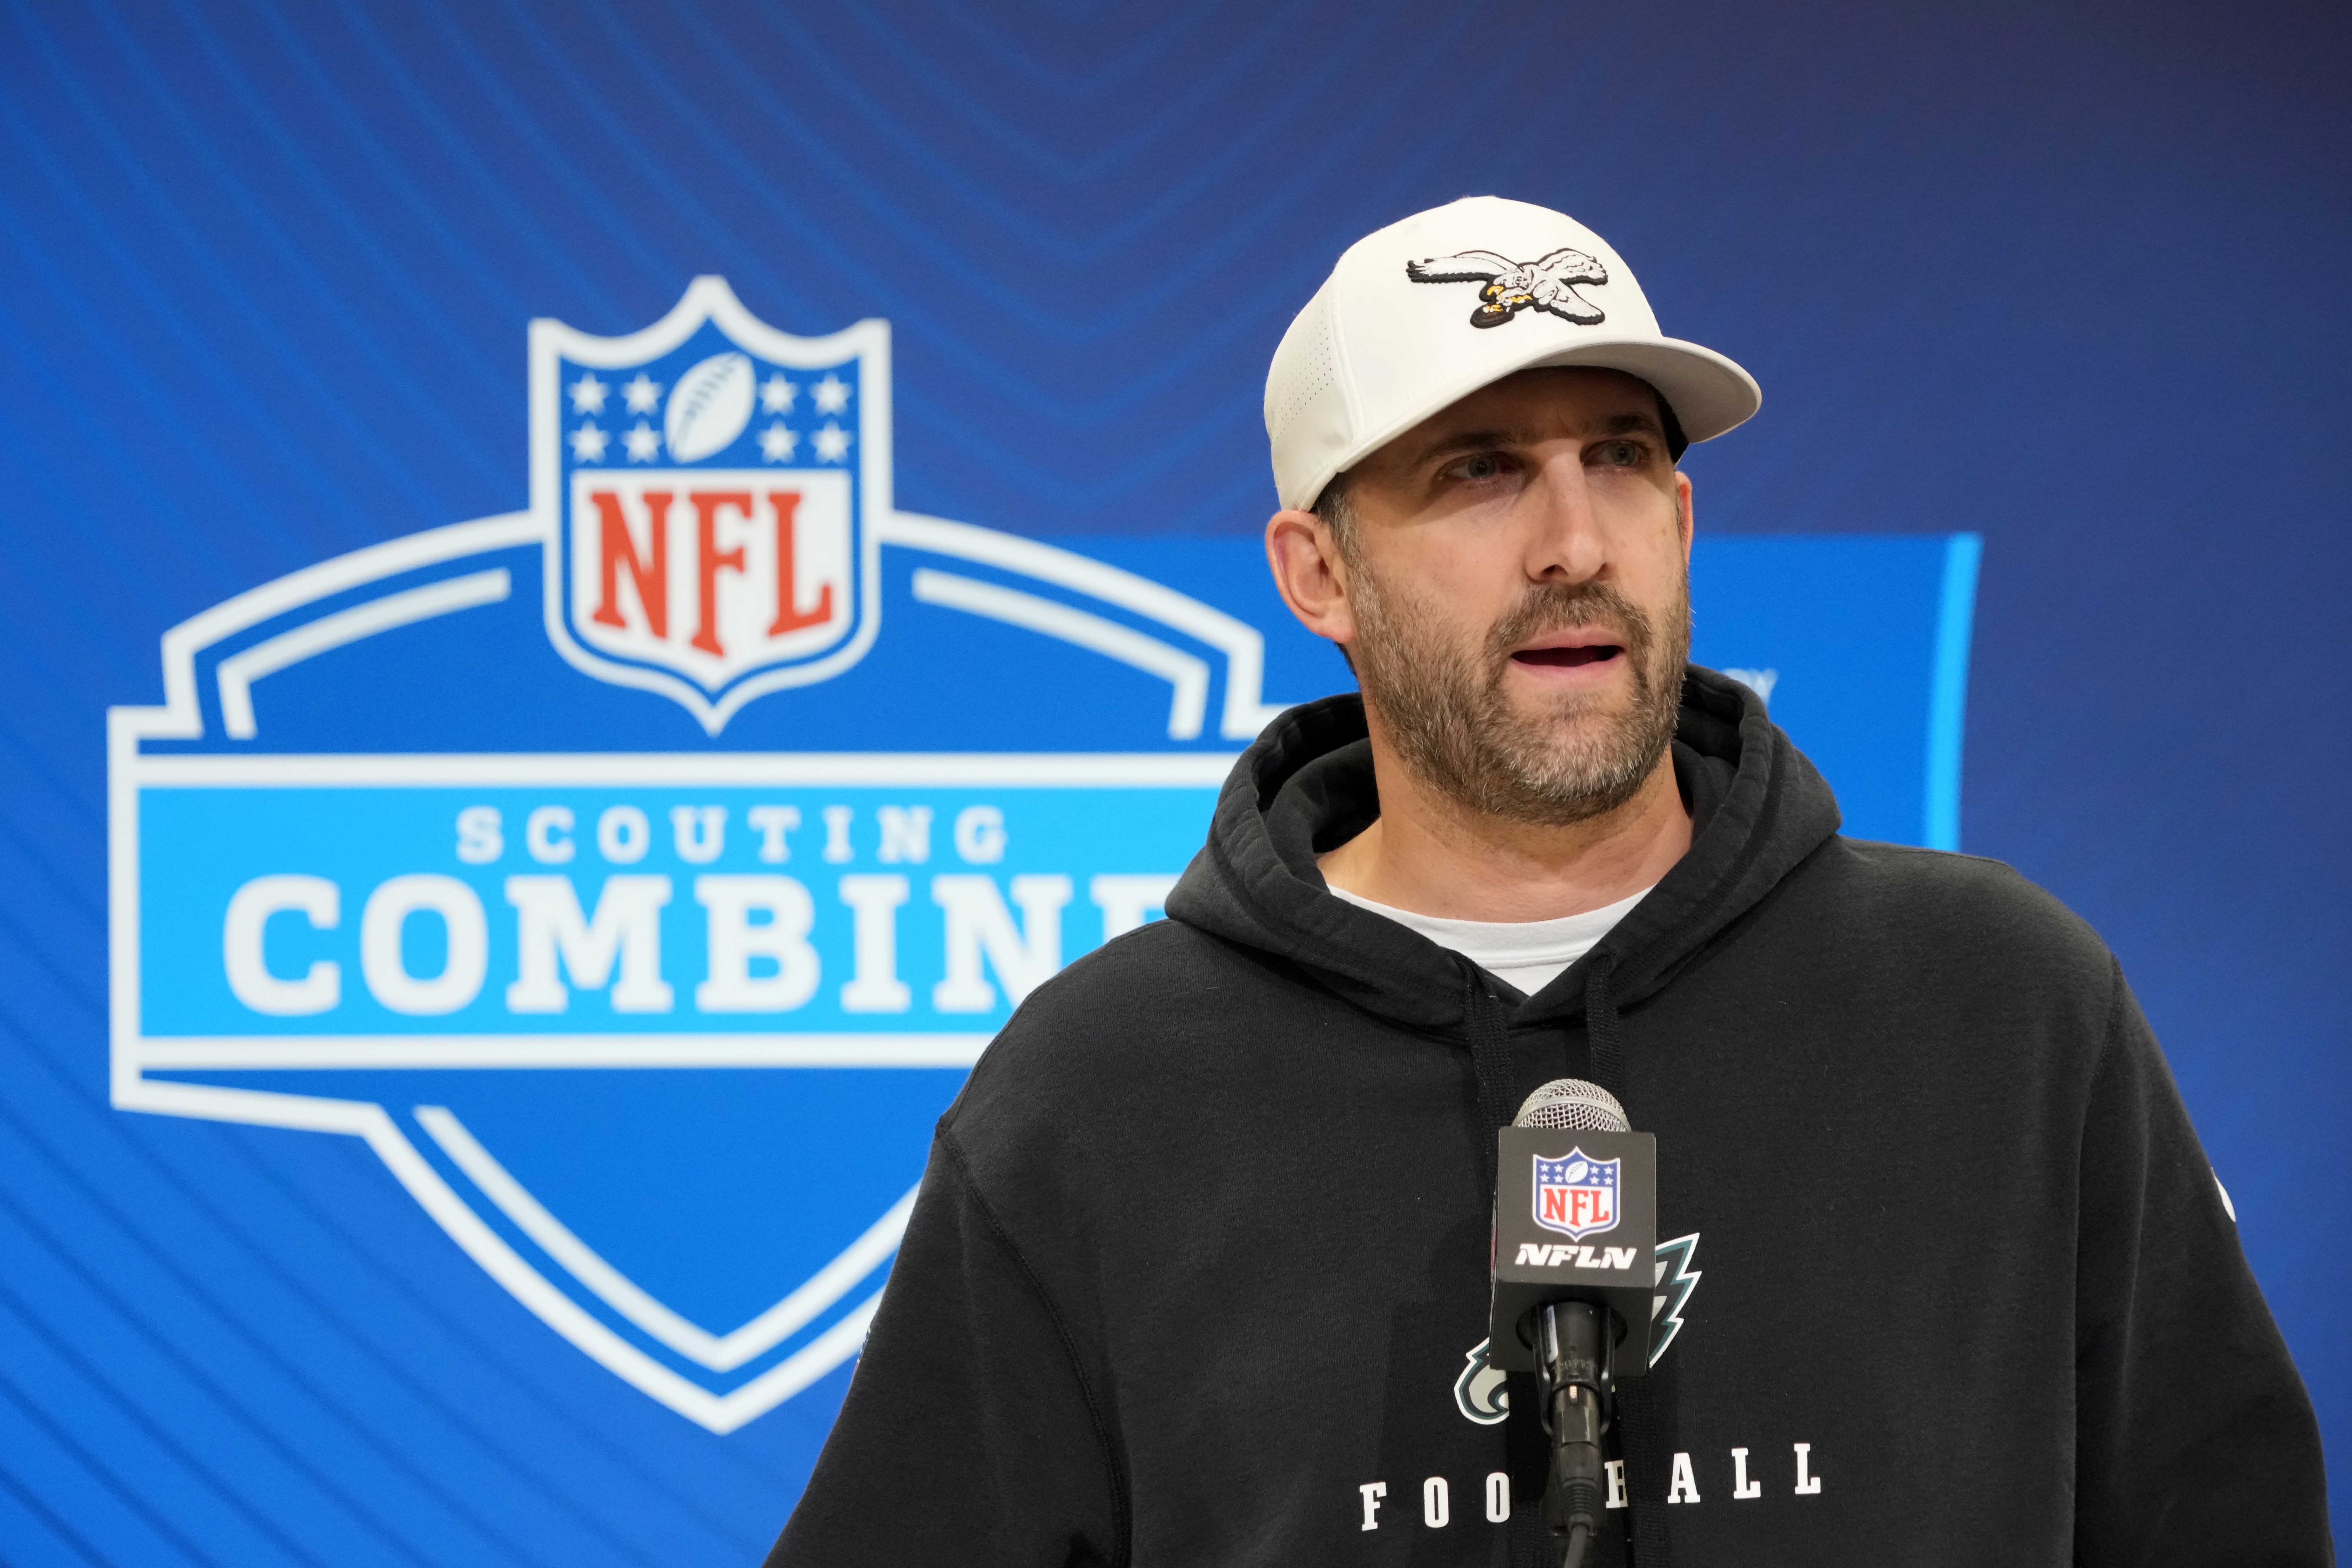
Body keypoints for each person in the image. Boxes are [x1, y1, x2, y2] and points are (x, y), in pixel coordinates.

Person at [766, 197, 2331, 1567]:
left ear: (1683, 518)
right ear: (1319, 572)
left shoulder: (2007, 1007)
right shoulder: (1099, 1094)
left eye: (1621, 458)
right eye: (1478, 471)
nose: (1572, 539)